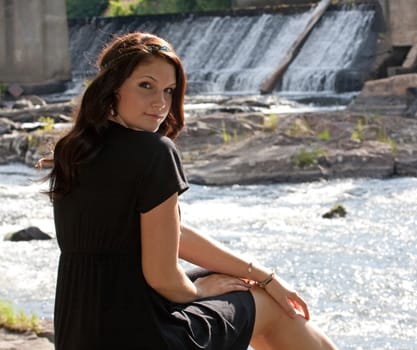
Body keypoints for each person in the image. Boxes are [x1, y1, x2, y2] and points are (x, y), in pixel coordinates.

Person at [42, 32, 338, 350]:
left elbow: (169, 233)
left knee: (240, 281)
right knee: (272, 308)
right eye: (146, 85)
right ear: (112, 87)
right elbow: (162, 276)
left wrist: (264, 274)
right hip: (146, 335)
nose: (160, 103)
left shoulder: (74, 150)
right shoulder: (154, 151)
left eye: (168, 91)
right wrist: (200, 292)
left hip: (82, 333)